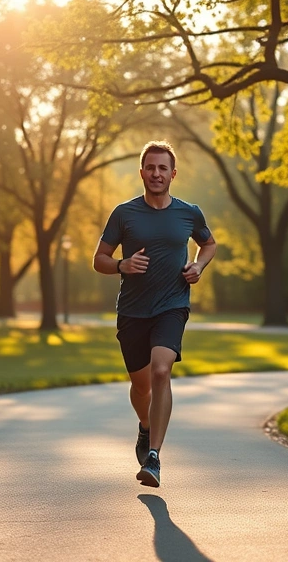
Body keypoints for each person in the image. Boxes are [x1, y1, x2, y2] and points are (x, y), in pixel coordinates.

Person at [92, 140, 217, 488]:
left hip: (172, 306)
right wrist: (122, 264)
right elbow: (98, 259)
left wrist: (199, 266)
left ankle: (154, 457)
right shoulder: (124, 213)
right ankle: (145, 427)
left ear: (173, 174)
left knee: (162, 370)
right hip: (132, 311)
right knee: (141, 386)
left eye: (163, 168)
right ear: (142, 172)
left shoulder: (189, 213)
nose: (157, 173)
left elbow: (209, 244)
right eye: (151, 167)